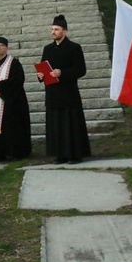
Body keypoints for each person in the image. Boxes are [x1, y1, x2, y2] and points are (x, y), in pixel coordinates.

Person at [37, 15, 91, 164]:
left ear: (64, 32)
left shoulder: (74, 47)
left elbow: (81, 70)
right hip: (53, 94)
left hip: (68, 93)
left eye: (56, 29)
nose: (53, 32)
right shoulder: (47, 49)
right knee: (56, 126)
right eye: (52, 29)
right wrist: (40, 75)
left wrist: (63, 73)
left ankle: (75, 155)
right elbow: (43, 66)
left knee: (70, 124)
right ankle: (59, 154)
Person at [0, 36, 32, 161]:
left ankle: (14, 152)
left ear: (7, 48)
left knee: (11, 126)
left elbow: (17, 80)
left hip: (10, 102)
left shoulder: (14, 63)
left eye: (1, 45)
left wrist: (1, 89)